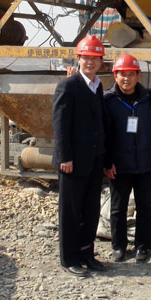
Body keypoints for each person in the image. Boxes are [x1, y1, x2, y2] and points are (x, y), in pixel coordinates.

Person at [51, 35, 112, 277]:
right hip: (73, 162)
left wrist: (105, 157)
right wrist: (65, 157)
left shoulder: (97, 87)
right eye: (86, 57)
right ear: (78, 58)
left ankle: (87, 254)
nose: (90, 62)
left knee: (90, 209)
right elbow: (60, 125)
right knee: (71, 211)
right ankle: (69, 258)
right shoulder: (68, 86)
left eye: (95, 58)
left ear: (101, 61)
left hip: (94, 159)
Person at [103, 54, 151, 263]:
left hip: (145, 163)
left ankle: (143, 246)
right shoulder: (108, 101)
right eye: (122, 74)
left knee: (145, 207)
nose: (126, 79)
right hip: (119, 165)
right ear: (115, 76)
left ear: (138, 76)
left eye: (131, 74)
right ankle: (119, 246)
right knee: (118, 208)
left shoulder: (148, 99)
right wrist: (107, 161)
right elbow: (103, 134)